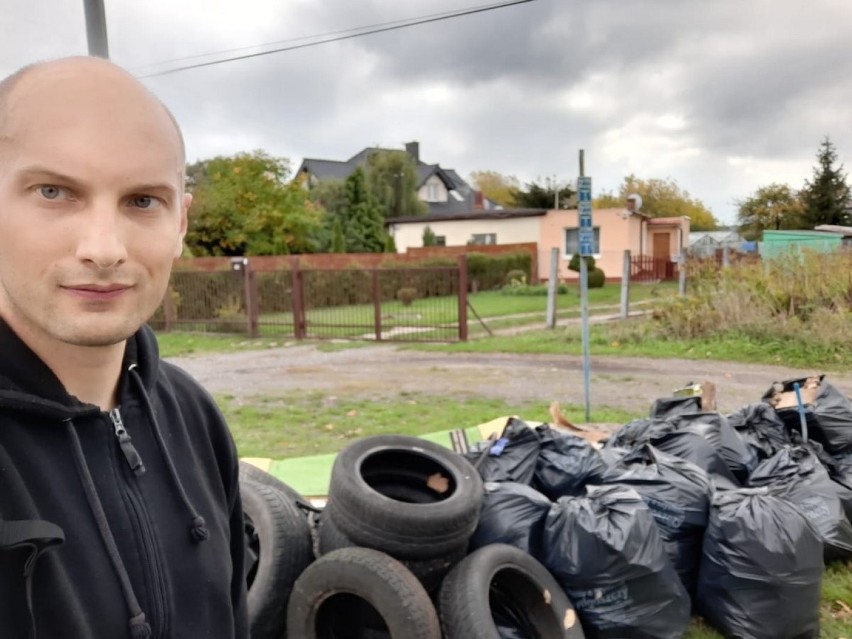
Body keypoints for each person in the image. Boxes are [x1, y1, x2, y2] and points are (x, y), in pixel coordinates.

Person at [0, 57, 249, 638]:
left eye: (142, 201)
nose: (104, 249)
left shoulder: (193, 415)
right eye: (54, 191)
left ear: (181, 223)